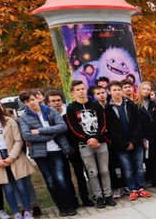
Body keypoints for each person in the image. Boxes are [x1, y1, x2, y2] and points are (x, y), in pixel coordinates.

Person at [18, 89, 77, 217]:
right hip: (40, 153)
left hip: (56, 150)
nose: (32, 103)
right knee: (50, 181)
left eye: (33, 99)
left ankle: (70, 206)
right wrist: (50, 136)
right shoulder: (24, 117)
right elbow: (27, 136)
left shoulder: (50, 110)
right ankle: (61, 208)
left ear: (38, 98)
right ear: (24, 104)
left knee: (60, 179)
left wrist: (39, 130)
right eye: (28, 101)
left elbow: (62, 127)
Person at [65, 80, 116, 209]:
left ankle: (108, 194)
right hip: (85, 145)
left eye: (83, 89)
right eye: (78, 90)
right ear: (73, 93)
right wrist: (88, 139)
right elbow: (74, 127)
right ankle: (98, 196)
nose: (81, 91)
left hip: (100, 143)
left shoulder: (96, 106)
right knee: (92, 172)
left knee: (104, 170)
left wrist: (96, 138)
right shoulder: (71, 108)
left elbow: (102, 124)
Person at [105, 81, 149, 201]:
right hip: (121, 145)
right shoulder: (108, 109)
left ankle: (141, 188)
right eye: (114, 90)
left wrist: (133, 141)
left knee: (139, 167)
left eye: (119, 90)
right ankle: (132, 189)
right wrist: (125, 143)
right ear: (109, 92)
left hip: (136, 142)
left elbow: (138, 124)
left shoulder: (131, 104)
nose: (117, 92)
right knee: (127, 168)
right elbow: (111, 130)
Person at [46, 88, 89, 209]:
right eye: (53, 101)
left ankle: (85, 198)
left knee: (80, 173)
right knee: (65, 176)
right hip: (58, 150)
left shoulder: (68, 112)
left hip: (74, 148)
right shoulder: (47, 116)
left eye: (58, 100)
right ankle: (73, 200)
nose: (56, 103)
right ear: (48, 103)